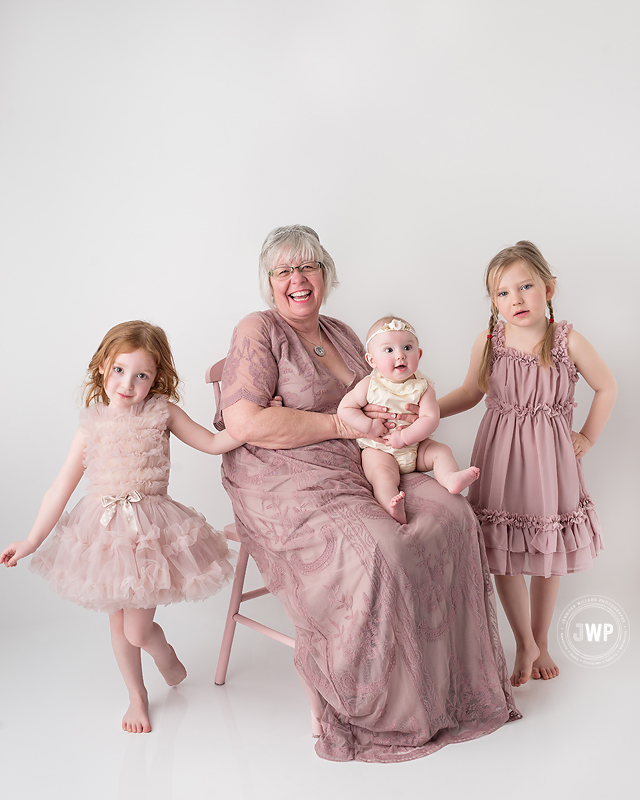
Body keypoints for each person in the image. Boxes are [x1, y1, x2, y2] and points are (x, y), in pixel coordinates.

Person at [215, 224, 520, 763]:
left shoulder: (344, 333)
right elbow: (244, 421)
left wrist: (404, 426)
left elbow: (389, 390)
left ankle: (451, 690)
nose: (297, 279)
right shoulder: (257, 329)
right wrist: (342, 425)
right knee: (379, 550)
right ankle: (386, 707)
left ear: (325, 273)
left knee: (452, 515)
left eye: (307, 267)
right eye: (284, 271)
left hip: (371, 460)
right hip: (286, 476)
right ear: (268, 282)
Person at [1, 320, 246, 734]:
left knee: (136, 629)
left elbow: (211, 442)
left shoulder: (162, 412)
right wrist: (32, 539)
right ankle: (138, 696)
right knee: (117, 621)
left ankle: (162, 651)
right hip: (102, 534)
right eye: (119, 370)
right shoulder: (90, 426)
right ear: (102, 367)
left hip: (149, 526)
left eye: (141, 375)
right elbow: (61, 486)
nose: (128, 384)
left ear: (156, 379)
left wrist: (256, 421)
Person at [438, 241, 617, 687]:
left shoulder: (566, 341)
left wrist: (587, 437)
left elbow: (607, 386)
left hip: (550, 463)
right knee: (503, 554)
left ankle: (542, 639)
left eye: (525, 286)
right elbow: (470, 393)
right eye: (502, 293)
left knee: (545, 552)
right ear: (493, 303)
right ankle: (523, 641)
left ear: (549, 289)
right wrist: (426, 413)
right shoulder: (489, 343)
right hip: (499, 457)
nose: (515, 299)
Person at [338, 315, 479, 524]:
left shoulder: (423, 387)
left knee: (441, 451)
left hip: (415, 447)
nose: (400, 356)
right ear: (371, 360)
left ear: (419, 354)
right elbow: (345, 409)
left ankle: (450, 478)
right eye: (389, 350)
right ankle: (391, 505)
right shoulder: (369, 385)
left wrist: (404, 437)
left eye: (407, 348)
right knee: (381, 474)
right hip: (380, 449)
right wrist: (369, 425)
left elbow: (431, 418)